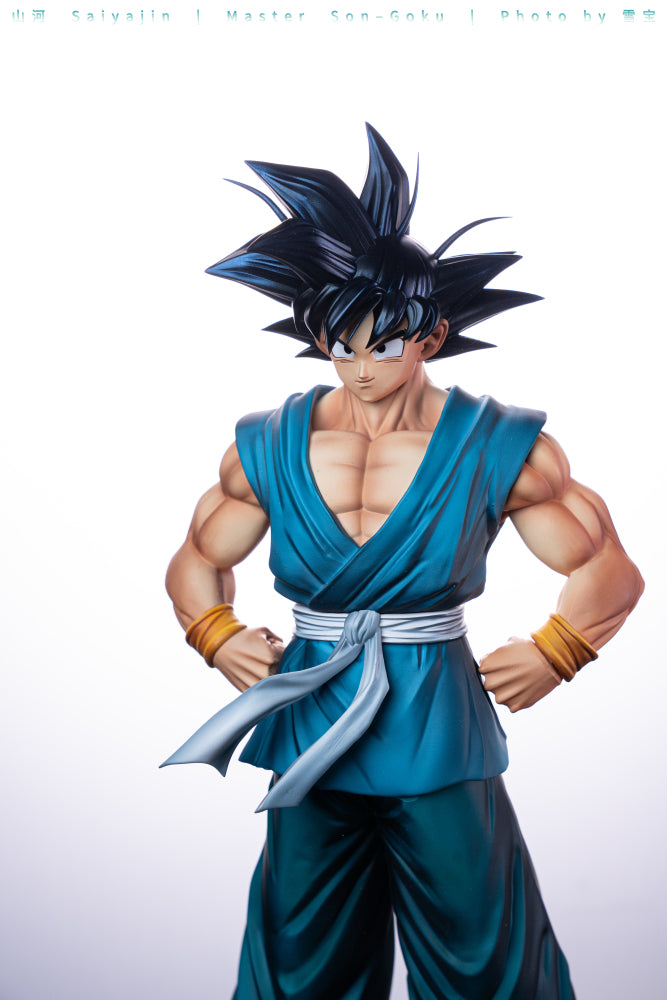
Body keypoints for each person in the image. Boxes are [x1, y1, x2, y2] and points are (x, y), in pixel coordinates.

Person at [162, 125, 643, 999]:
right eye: (339, 344)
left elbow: (608, 567)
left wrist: (558, 649)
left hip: (434, 716)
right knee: (300, 944)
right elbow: (196, 558)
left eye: (383, 344)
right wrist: (214, 631)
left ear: (432, 335)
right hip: (311, 716)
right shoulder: (268, 444)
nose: (360, 367)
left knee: (479, 943)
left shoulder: (496, 444)